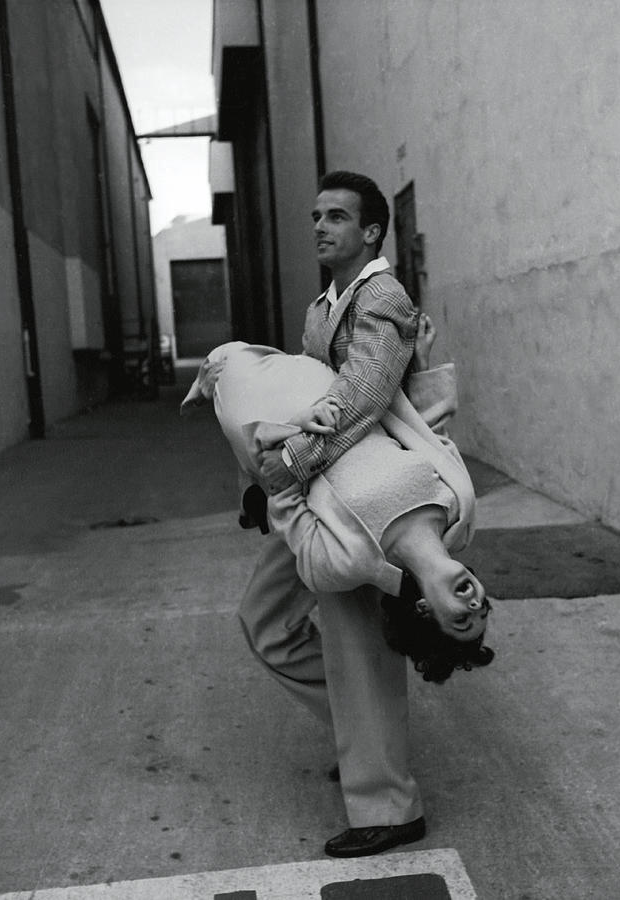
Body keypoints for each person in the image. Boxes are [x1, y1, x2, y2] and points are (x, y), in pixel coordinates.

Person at [217, 171, 486, 858]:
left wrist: (282, 466)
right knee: (266, 622)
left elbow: (359, 403)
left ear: (370, 230)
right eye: (315, 215)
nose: (319, 227)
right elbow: (315, 392)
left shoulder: (382, 299)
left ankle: (388, 804)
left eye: (336, 216)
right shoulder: (324, 305)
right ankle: (361, 737)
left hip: (369, 498)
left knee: (355, 646)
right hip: (321, 489)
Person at [181, 327, 495, 663]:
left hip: (288, 422)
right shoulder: (459, 514)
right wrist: (420, 362)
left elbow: (285, 503)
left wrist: (292, 434)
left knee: (228, 361)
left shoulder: (352, 562)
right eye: (483, 610)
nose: (474, 606)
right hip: (338, 389)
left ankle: (212, 391)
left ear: (423, 609)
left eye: (462, 620)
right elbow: (431, 432)